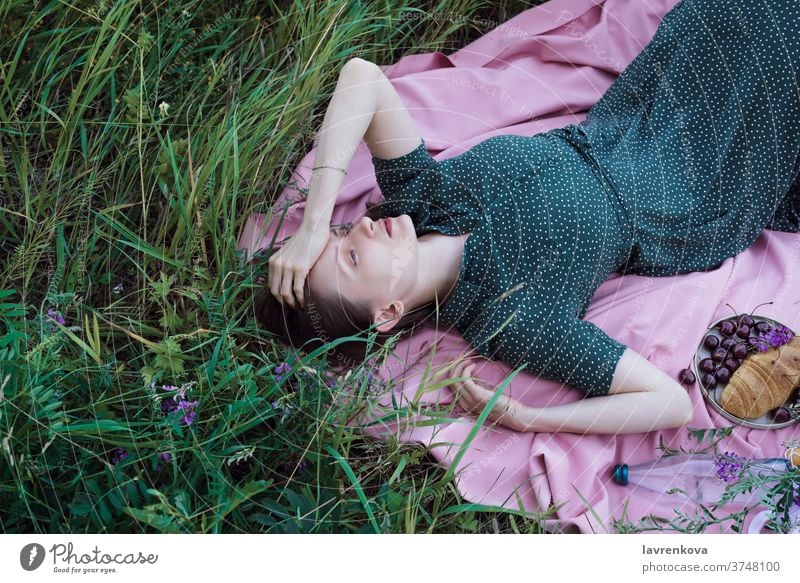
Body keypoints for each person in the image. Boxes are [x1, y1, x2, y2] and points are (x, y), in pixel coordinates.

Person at [256, 0, 800, 435]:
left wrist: (310, 229)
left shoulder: (418, 197)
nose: (362, 227)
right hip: (686, 188)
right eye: (351, 255)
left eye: (340, 230)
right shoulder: (511, 322)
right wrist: (530, 419)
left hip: (633, 114)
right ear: (388, 312)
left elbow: (361, 77)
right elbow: (667, 404)